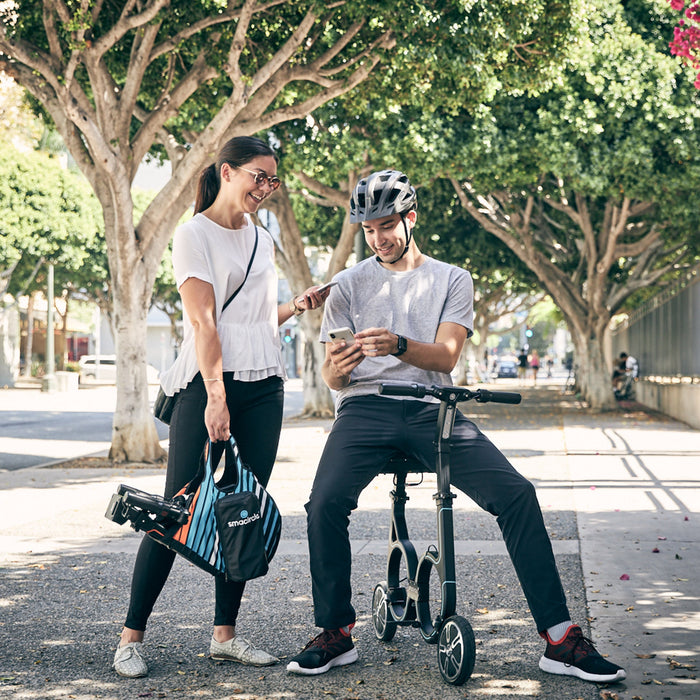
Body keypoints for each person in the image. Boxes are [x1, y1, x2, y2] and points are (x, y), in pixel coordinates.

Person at [286, 169, 626, 684]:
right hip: (364, 408)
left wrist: (397, 344)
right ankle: (336, 633)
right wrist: (344, 361)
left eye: (386, 226)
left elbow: (446, 356)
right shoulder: (348, 285)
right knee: (323, 503)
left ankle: (559, 639)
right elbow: (333, 379)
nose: (378, 238)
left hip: (432, 406)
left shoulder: (451, 278)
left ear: (411, 218)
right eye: (369, 230)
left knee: (516, 493)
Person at [112, 136, 331, 679]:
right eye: (259, 176)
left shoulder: (262, 239)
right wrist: (215, 395)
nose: (266, 188)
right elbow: (205, 322)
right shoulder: (193, 235)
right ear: (228, 172)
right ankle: (130, 638)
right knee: (174, 512)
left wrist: (294, 306)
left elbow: (252, 321)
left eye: (273, 180)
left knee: (241, 506)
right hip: (209, 385)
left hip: (264, 383)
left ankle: (224, 636)